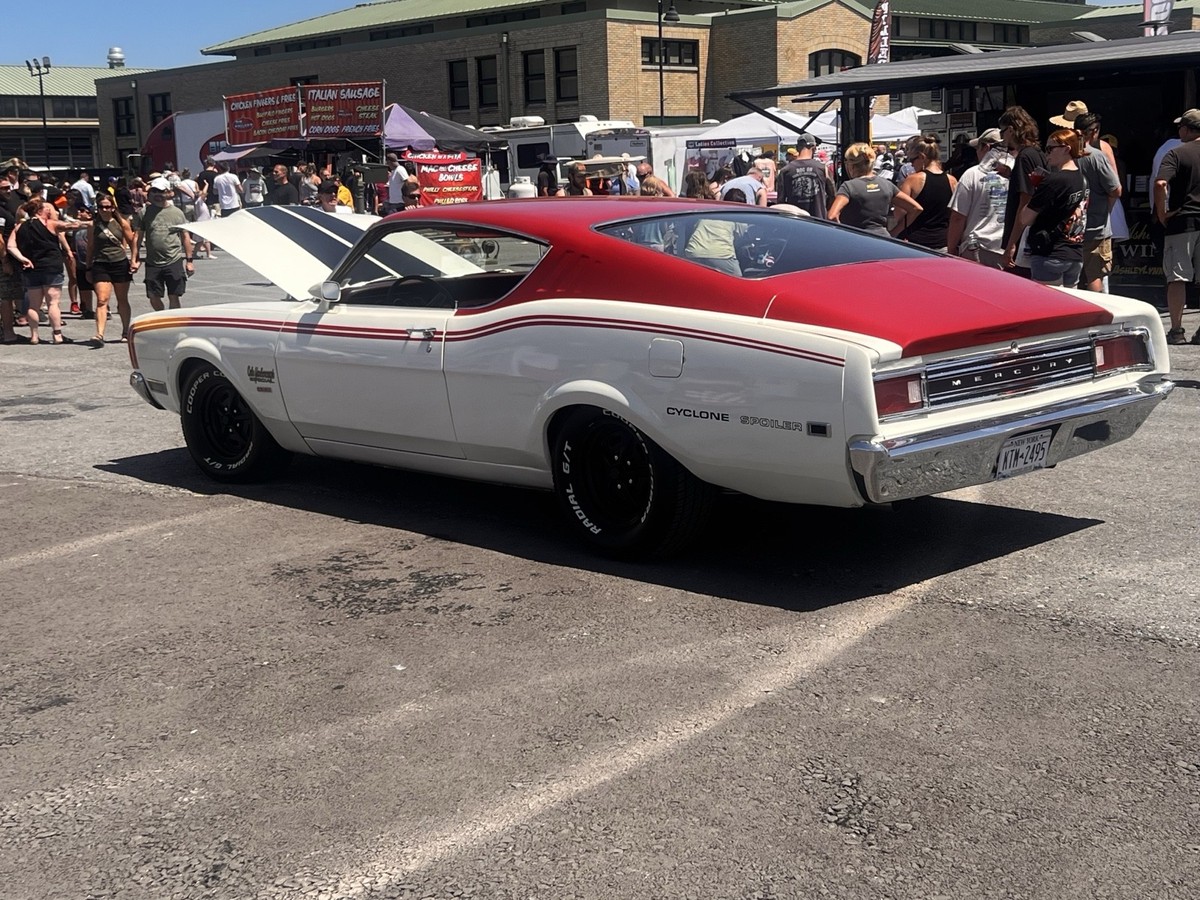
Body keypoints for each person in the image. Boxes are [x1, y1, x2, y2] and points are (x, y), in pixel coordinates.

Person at [1010, 128, 1088, 287]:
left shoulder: (1053, 181)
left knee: (1047, 300)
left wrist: (1036, 189)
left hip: (1050, 253)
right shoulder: (1083, 179)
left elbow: (1025, 218)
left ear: (1066, 149)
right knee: (1070, 301)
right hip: (1075, 253)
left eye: (1051, 149)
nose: (1047, 154)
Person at [7, 198, 84, 344]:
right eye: (46, 208)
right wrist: (85, 223)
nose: (49, 210)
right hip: (51, 267)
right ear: (40, 210)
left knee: (33, 305)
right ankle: (57, 335)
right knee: (53, 303)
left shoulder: (19, 227)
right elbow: (71, 226)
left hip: (31, 268)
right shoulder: (50, 223)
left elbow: (11, 246)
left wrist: (23, 258)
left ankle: (34, 336)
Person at [1154, 108, 1200, 344]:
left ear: (1188, 129)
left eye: (1180, 127)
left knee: (1177, 278)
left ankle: (1176, 330)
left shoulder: (1176, 153)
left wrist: (1162, 212)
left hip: (1183, 220)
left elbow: (1160, 183)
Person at [946, 127, 1011, 267]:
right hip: (1006, 250)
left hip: (977, 248)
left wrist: (951, 249)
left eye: (977, 148)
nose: (976, 152)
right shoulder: (1015, 174)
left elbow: (958, 217)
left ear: (986, 147)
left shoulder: (972, 174)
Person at [828, 142, 922, 238]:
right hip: (883, 239)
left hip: (856, 239)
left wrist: (843, 234)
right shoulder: (886, 184)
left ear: (851, 166)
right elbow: (916, 208)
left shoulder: (848, 186)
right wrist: (894, 232)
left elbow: (832, 216)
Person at [1072, 112, 1121, 292]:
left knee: (1070, 276)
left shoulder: (1063, 153)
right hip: (1096, 227)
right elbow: (1116, 189)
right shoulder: (1096, 156)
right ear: (1094, 131)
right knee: (1094, 275)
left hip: (1069, 227)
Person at [998, 105, 1049, 276]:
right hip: (1037, 234)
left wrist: (1012, 243)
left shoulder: (1024, 157)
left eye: (1002, 132)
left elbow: (1025, 201)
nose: (1002, 137)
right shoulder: (1038, 154)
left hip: (1024, 239)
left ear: (1011, 130)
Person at [132, 177, 194, 313]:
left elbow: (185, 237)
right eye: (154, 191)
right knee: (153, 297)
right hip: (153, 261)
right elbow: (138, 237)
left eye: (160, 191)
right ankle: (162, 315)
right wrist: (134, 259)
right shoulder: (144, 213)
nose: (157, 194)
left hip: (173, 260)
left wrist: (189, 261)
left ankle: (173, 320)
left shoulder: (177, 213)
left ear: (168, 192)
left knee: (174, 296)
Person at [85, 196, 136, 345]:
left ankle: (125, 331)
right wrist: (88, 267)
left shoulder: (121, 223)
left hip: (119, 263)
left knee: (122, 299)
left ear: (113, 208)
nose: (104, 210)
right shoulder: (93, 225)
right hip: (100, 264)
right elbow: (90, 247)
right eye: (101, 207)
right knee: (102, 300)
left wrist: (134, 260)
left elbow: (132, 242)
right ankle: (99, 334)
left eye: (107, 207)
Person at [893, 135, 957, 251]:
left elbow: (899, 213)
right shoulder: (952, 181)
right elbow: (954, 215)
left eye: (912, 160)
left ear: (922, 157)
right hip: (943, 243)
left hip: (915, 243)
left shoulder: (912, 180)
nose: (911, 164)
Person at [776, 133, 834, 218]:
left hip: (795, 221)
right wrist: (825, 210)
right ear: (814, 148)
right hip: (818, 221)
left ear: (797, 148)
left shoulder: (785, 171)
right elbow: (832, 195)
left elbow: (780, 201)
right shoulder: (822, 168)